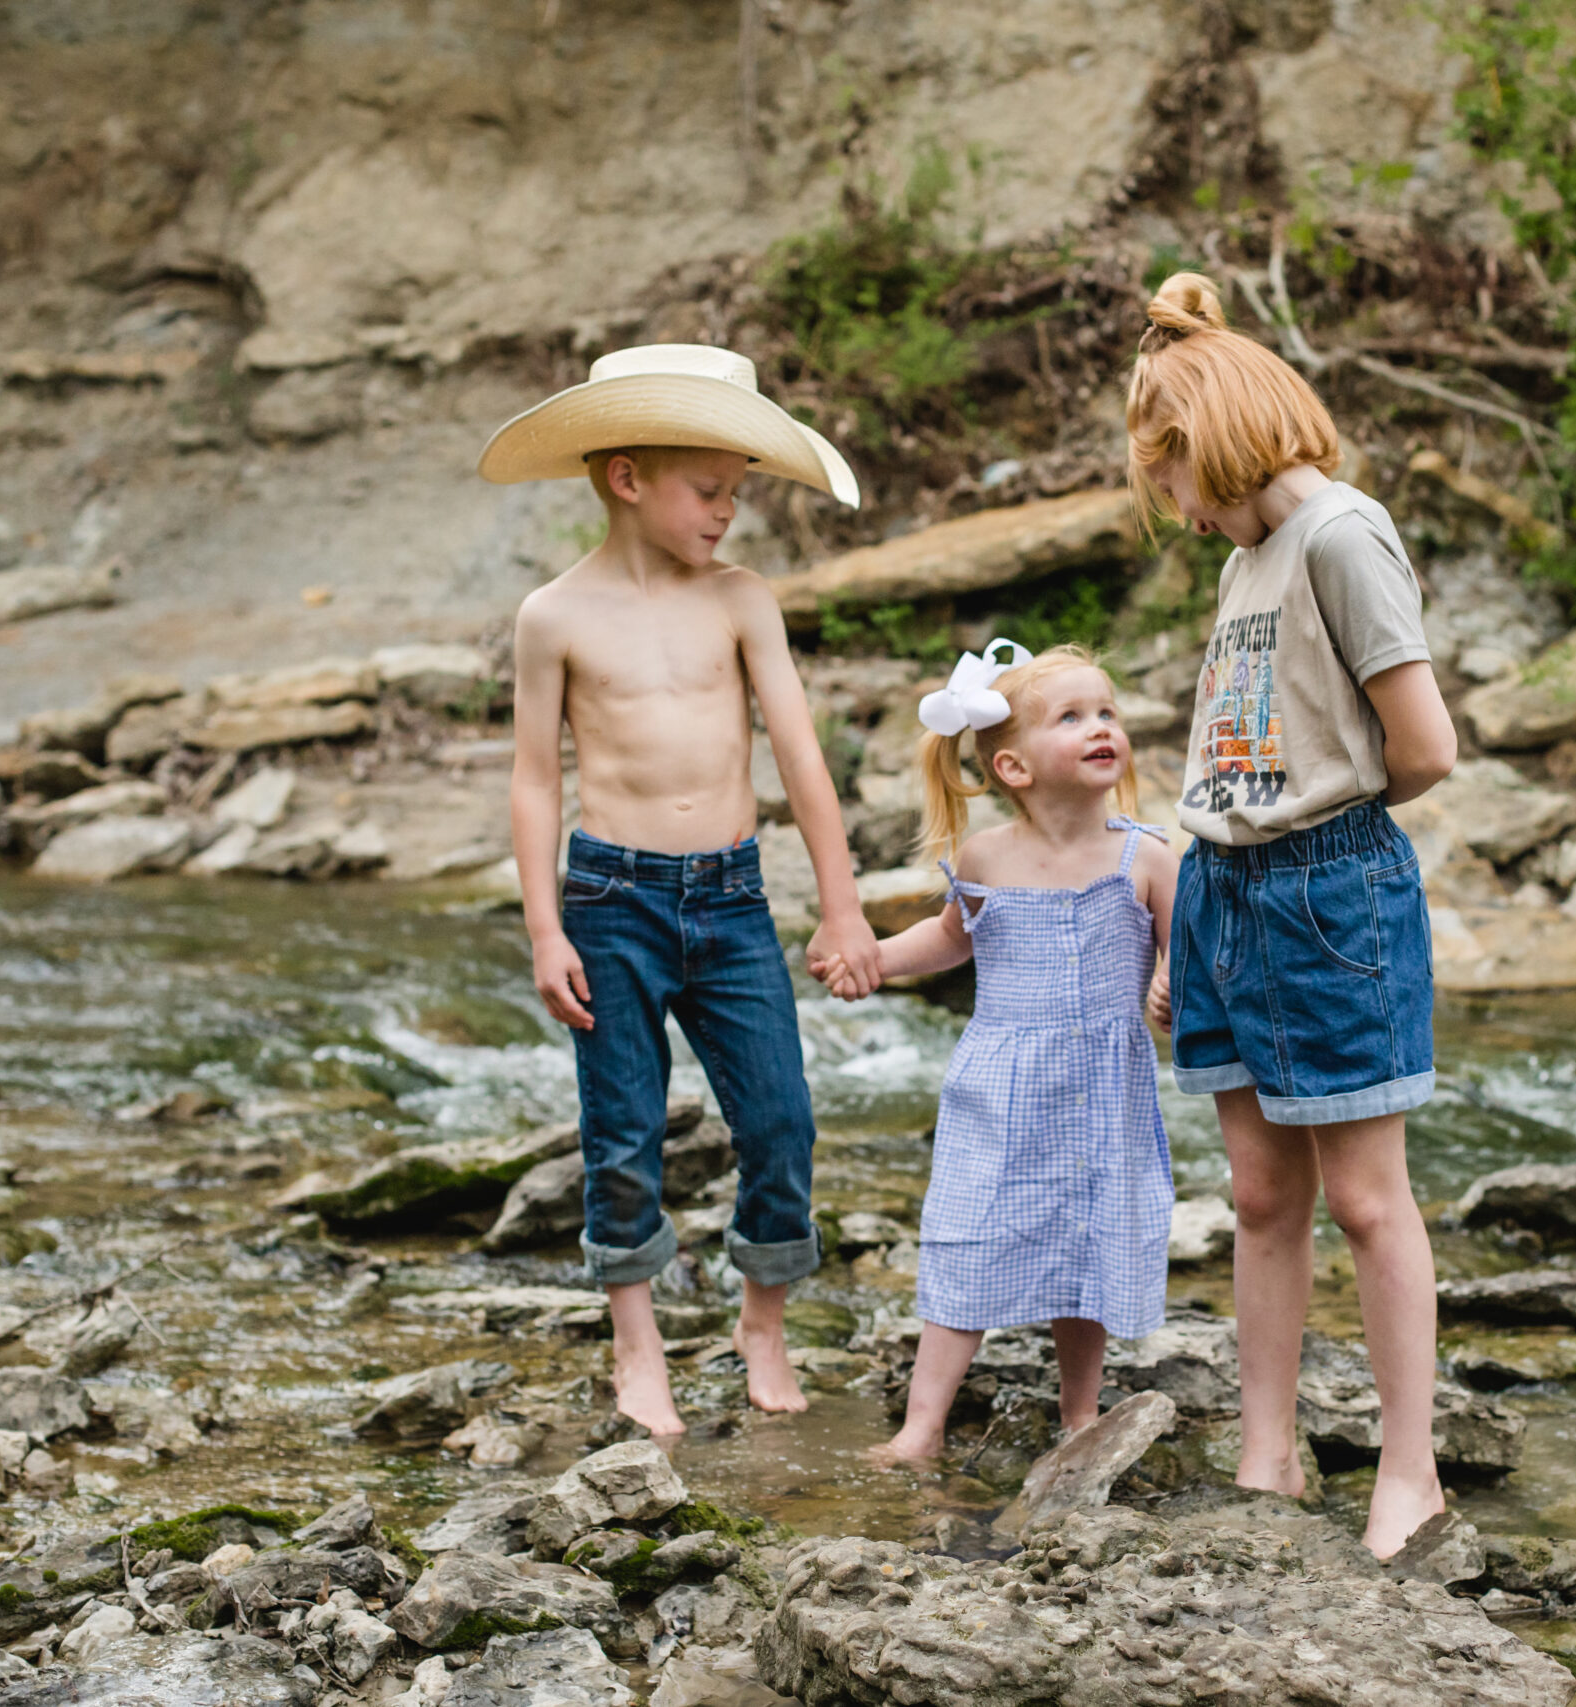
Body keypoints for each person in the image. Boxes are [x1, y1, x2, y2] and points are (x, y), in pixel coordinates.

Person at [484, 344, 885, 1436]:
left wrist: (841, 906)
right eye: (708, 492)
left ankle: (763, 1319)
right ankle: (637, 1346)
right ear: (625, 477)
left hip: (732, 898)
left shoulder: (742, 600)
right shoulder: (553, 616)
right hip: (608, 902)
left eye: (737, 495)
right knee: (621, 1130)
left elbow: (801, 758)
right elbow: (533, 778)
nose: (726, 514)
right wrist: (542, 928)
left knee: (781, 1119)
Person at [1126, 273, 1460, 1558]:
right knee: (1262, 1195)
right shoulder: (1247, 562)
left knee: (1370, 1200)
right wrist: (1183, 924)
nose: (1170, 504)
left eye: (1165, 476)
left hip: (1327, 890)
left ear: (1198, 442)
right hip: (1220, 889)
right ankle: (1267, 1457)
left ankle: (1409, 1471)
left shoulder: (1340, 535)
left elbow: (1421, 746)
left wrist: (1309, 816)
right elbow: (1234, 740)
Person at [812, 641, 1176, 1461]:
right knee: (967, 1233)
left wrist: (1168, 985)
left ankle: (1079, 1413)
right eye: (1073, 716)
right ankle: (922, 1424)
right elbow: (950, 940)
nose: (1101, 727)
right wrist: (870, 958)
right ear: (1012, 765)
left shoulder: (1146, 856)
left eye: (1108, 712)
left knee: (1087, 1242)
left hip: (1099, 1093)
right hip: (1001, 1088)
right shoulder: (986, 857)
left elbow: (1182, 950)